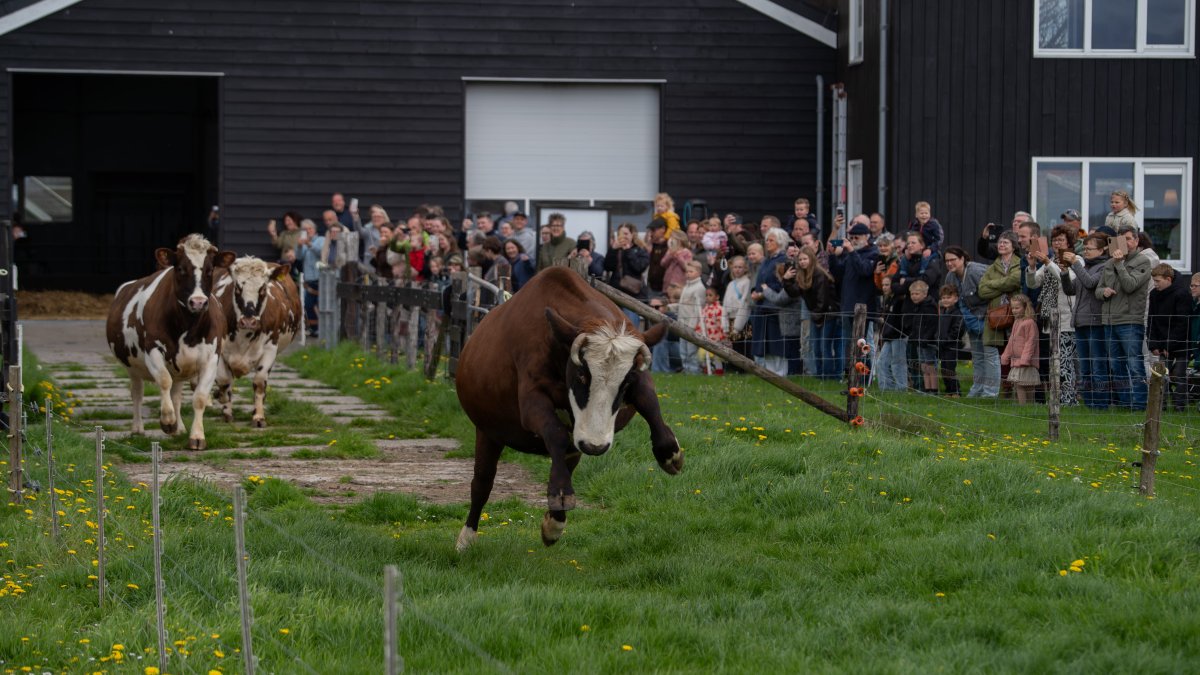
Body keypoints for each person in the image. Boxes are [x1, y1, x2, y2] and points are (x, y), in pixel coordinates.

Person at [1097, 225, 1152, 409]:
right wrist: (1103, 292)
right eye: (1121, 239)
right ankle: (1125, 403)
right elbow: (1098, 289)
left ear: (1136, 241)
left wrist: (1120, 264)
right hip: (1109, 321)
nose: (1124, 243)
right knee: (1116, 366)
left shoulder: (1143, 261)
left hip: (1130, 321)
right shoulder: (1109, 262)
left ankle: (1140, 404)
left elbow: (1130, 285)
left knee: (1134, 364)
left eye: (1128, 239)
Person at [1026, 224, 1079, 405]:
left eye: (1061, 240)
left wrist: (1048, 263)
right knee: (1055, 361)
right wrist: (1032, 267)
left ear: (1069, 242)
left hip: (1066, 317)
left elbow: (1067, 280)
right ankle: (1059, 397)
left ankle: (1068, 399)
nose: (1057, 243)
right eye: (1055, 240)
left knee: (1065, 361)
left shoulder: (1076, 259)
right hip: (1050, 318)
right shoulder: (1052, 260)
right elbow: (1033, 283)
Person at [828, 221, 881, 375]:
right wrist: (832, 255)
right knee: (848, 343)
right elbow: (838, 273)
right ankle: (851, 373)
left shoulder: (873, 253)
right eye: (851, 237)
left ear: (866, 237)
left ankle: (866, 374)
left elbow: (865, 270)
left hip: (863, 307)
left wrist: (851, 251)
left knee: (862, 343)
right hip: (847, 305)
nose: (853, 240)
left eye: (856, 237)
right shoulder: (850, 254)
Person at [942, 247, 995, 398]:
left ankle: (990, 392)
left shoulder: (976, 271)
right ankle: (977, 388)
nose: (949, 263)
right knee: (977, 357)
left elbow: (994, 290)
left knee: (990, 356)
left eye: (953, 259)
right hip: (970, 321)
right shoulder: (950, 277)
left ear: (962, 259)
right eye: (947, 261)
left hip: (988, 318)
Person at [1067, 232, 1111, 409]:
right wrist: (1064, 272)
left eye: (1089, 249)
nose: (1085, 251)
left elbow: (1090, 283)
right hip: (1080, 322)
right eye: (1084, 248)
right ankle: (1089, 403)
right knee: (1084, 367)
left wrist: (1075, 264)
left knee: (1098, 365)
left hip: (1095, 323)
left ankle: (1100, 404)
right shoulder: (1085, 267)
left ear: (1101, 250)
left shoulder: (1104, 267)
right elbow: (1070, 289)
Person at [978, 231, 1023, 396]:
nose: (1001, 245)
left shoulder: (1020, 263)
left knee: (1016, 351)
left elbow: (1016, 280)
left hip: (1016, 313)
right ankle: (997, 390)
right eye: (1000, 242)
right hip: (996, 315)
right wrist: (1003, 286)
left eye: (1005, 242)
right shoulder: (992, 267)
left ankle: (1018, 389)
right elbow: (982, 291)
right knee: (996, 352)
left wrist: (993, 284)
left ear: (1013, 246)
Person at [790, 246, 840, 379]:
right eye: (800, 259)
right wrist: (786, 280)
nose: (802, 262)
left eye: (805, 259)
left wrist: (815, 315)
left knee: (824, 347)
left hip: (828, 314)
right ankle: (819, 375)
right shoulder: (803, 275)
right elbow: (794, 292)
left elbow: (822, 300)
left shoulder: (819, 274)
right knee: (816, 347)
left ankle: (828, 376)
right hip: (816, 314)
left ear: (811, 259)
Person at [1147, 264, 1192, 411]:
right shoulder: (1154, 294)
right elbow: (1152, 319)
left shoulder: (1182, 294)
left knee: (1179, 375)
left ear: (1168, 279)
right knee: (1161, 375)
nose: (1155, 284)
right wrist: (1153, 343)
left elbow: (1183, 323)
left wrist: (1169, 345)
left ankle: (1180, 406)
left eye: (1158, 281)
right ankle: (1162, 405)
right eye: (1154, 281)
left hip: (1181, 343)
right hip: (1161, 343)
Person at [749, 228, 792, 376]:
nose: (767, 242)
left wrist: (763, 294)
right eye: (767, 240)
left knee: (776, 344)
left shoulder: (783, 260)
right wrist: (754, 291)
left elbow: (781, 284)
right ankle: (769, 374)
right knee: (765, 344)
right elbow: (759, 281)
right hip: (762, 308)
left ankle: (780, 374)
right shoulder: (766, 260)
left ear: (780, 242)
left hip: (775, 308)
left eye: (771, 240)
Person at [603, 223, 651, 325]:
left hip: (633, 295)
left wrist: (628, 251)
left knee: (630, 325)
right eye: (620, 233)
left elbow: (639, 267)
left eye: (626, 233)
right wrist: (613, 250)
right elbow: (607, 267)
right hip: (615, 293)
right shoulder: (616, 249)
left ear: (632, 234)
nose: (623, 236)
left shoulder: (640, 249)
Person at [901, 280, 939, 394]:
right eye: (912, 294)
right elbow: (916, 324)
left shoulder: (929, 307)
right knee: (923, 365)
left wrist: (926, 338)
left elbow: (932, 325)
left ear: (925, 294)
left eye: (917, 294)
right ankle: (927, 389)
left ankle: (934, 390)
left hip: (928, 342)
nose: (914, 296)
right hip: (919, 341)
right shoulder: (917, 306)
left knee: (930, 365)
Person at [1001, 294, 1040, 404]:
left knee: (1028, 385)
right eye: (1012, 308)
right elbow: (1011, 341)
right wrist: (1005, 355)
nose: (1014, 310)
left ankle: (1027, 406)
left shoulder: (1029, 323)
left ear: (1025, 307)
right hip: (1016, 361)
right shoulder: (1017, 322)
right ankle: (1022, 407)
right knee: (1018, 384)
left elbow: (1030, 342)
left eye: (1017, 308)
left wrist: (1025, 359)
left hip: (1026, 362)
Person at [876, 276, 907, 392]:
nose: (884, 287)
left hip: (898, 335)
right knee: (881, 362)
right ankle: (886, 388)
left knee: (897, 363)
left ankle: (901, 388)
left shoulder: (900, 300)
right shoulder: (887, 300)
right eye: (883, 285)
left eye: (887, 285)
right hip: (888, 335)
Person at [675, 261, 707, 374]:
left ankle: (694, 370)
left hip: (691, 324)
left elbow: (698, 309)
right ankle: (686, 369)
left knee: (691, 350)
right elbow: (683, 304)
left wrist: (692, 325)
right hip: (682, 322)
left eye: (691, 271)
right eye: (687, 271)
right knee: (683, 349)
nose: (688, 274)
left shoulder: (699, 288)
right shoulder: (686, 286)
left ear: (698, 272)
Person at [722, 255, 753, 367]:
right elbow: (725, 304)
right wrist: (725, 325)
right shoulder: (731, 284)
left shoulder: (747, 282)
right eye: (735, 267)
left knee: (744, 345)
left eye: (740, 267)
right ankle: (736, 368)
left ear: (745, 268)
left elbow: (744, 304)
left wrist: (737, 327)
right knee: (734, 346)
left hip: (742, 320)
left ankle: (746, 368)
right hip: (731, 319)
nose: (737, 269)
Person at [296, 219, 324, 337]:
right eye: (305, 229)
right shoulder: (302, 242)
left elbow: (321, 253)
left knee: (320, 304)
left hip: (320, 277)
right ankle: (314, 328)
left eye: (310, 229)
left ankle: (323, 329)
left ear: (314, 229)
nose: (308, 231)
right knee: (308, 305)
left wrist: (309, 244)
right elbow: (299, 257)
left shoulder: (321, 240)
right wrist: (299, 246)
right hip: (309, 278)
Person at [936, 284, 966, 397]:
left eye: (948, 297)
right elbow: (939, 328)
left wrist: (947, 339)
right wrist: (938, 338)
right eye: (943, 298)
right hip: (943, 345)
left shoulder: (957, 313)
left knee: (950, 369)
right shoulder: (943, 312)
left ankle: (956, 391)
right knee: (944, 369)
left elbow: (957, 330)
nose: (945, 300)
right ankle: (949, 391)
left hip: (952, 346)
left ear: (956, 298)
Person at [697, 286, 727, 375]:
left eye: (710, 295)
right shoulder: (705, 309)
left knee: (717, 357)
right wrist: (699, 331)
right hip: (706, 336)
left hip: (717, 337)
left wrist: (723, 335)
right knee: (703, 356)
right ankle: (708, 371)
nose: (708, 297)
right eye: (706, 295)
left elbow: (722, 323)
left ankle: (719, 373)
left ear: (717, 297)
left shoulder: (719, 309)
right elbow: (701, 322)